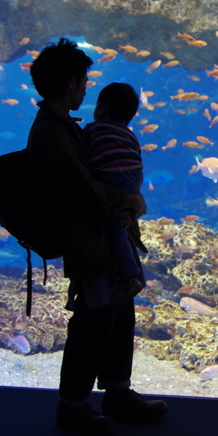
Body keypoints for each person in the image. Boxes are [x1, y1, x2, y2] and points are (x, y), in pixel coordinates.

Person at [27, 38, 168, 436]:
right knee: (92, 321)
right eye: (84, 80)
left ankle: (117, 391)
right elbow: (81, 190)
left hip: (103, 239)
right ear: (71, 82)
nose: (87, 88)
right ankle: (72, 404)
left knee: (118, 313)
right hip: (86, 242)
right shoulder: (52, 134)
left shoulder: (66, 129)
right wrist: (128, 198)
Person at [84, 82, 147, 308]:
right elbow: (136, 159)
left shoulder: (94, 128)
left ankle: (131, 277)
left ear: (102, 109)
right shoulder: (129, 134)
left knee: (115, 228)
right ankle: (133, 274)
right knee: (123, 223)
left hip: (113, 177)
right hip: (133, 178)